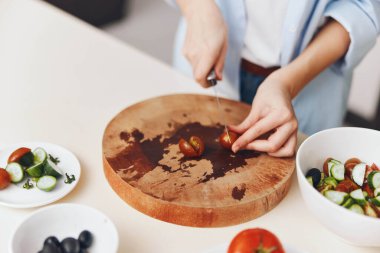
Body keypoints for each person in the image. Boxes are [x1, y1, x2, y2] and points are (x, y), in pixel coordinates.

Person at [170, 0, 380, 157]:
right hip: (207, 55)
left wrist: (286, 83)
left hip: (311, 80)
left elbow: (362, 9)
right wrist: (198, 9)